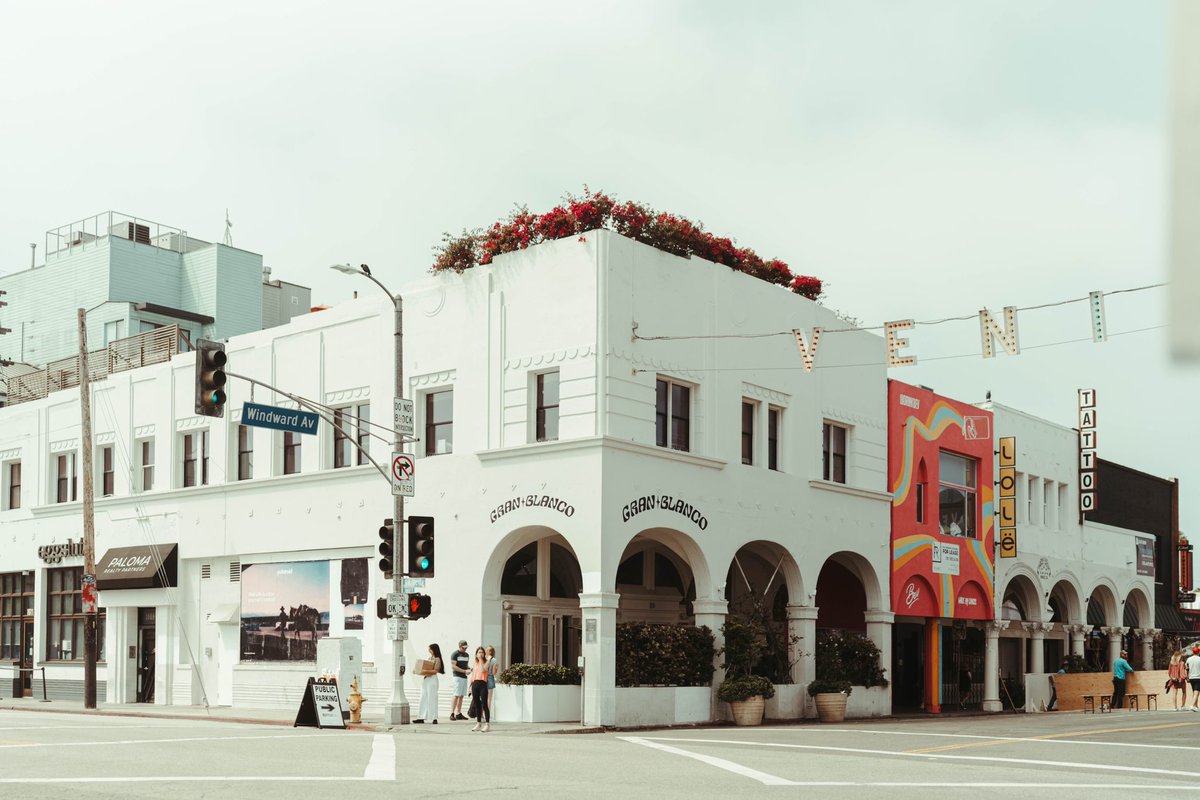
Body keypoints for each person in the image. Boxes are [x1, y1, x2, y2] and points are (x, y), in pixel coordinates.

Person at [413, 643, 444, 724]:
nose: (429, 651)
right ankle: (421, 717)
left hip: (432, 680)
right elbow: (425, 668)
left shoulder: (437, 659)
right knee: (423, 697)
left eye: (430, 649)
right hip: (426, 679)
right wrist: (417, 670)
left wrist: (425, 671)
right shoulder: (429, 658)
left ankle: (434, 718)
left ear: (434, 650)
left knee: (432, 698)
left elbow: (435, 671)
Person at [470, 646, 491, 732]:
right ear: (476, 654)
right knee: (477, 704)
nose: (480, 654)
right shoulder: (475, 663)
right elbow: (473, 675)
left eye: (482, 652)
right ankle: (478, 723)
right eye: (479, 652)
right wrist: (470, 686)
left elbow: (483, 670)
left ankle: (487, 724)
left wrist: (481, 660)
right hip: (475, 684)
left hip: (483, 684)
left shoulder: (487, 662)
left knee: (484, 704)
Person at [449, 640, 471, 720]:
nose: (465, 649)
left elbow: (465, 665)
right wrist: (464, 671)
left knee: (461, 696)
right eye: (463, 647)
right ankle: (452, 713)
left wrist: (470, 668)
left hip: (464, 677)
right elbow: (453, 667)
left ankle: (458, 713)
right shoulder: (455, 654)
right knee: (456, 695)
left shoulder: (467, 655)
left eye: (466, 647)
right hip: (457, 677)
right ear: (459, 646)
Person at [486, 644, 499, 716]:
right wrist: (496, 668)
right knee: (489, 699)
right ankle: (487, 715)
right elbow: (493, 672)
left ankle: (480, 715)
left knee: (482, 698)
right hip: (490, 678)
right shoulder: (494, 660)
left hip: (482, 678)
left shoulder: (484, 658)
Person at [1187, 646, 1200, 712]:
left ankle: (1196, 706)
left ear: (1193, 652)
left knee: (1195, 692)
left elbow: (1187, 668)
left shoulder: (1189, 659)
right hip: (1198, 677)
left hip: (1191, 677)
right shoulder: (1199, 659)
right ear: (1198, 652)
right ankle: (1192, 705)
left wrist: (1187, 677)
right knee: (1196, 691)